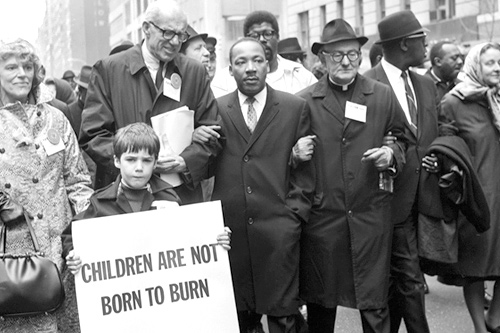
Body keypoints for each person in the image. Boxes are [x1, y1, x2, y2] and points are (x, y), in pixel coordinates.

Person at [298, 19, 406, 333]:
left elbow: (403, 139)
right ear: (321, 59)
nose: (346, 62)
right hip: (324, 217)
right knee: (322, 302)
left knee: (374, 303)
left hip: (370, 213)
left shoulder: (381, 95)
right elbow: (288, 156)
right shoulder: (304, 101)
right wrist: (294, 155)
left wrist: (389, 155)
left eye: (353, 54)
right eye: (337, 55)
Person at [212, 37, 314, 333]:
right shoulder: (216, 109)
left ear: (268, 64)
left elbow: (307, 174)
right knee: (241, 318)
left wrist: (293, 216)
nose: (251, 68)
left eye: (257, 60)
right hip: (233, 232)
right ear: (230, 69)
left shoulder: (294, 107)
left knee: (283, 316)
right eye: (241, 62)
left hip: (278, 230)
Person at [79, 0, 221, 205]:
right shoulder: (110, 70)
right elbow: (93, 135)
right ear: (146, 28)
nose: (175, 42)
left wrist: (185, 161)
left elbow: (213, 132)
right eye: (168, 33)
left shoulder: (194, 71)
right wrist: (140, 162)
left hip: (181, 193)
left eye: (181, 35)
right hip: (126, 198)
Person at [0, 39, 93, 332]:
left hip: (62, 250)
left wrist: (86, 231)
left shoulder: (56, 119)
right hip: (14, 258)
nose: (21, 74)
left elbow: (78, 180)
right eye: (11, 66)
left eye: (27, 66)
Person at [62, 122, 231, 275]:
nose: (139, 168)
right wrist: (73, 255)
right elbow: (72, 236)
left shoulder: (169, 198)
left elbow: (191, 239)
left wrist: (215, 237)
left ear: (155, 162)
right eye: (131, 160)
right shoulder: (100, 203)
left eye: (147, 160)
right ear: (116, 161)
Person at [364, 10, 440, 333]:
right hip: (384, 196)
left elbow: (431, 132)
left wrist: (436, 157)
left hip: (423, 196)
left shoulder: (425, 84)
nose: (428, 45)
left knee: (402, 279)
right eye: (422, 39)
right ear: (405, 44)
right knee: (407, 278)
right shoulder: (367, 85)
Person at [439, 42, 500, 333]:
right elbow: (446, 148)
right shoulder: (454, 102)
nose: (497, 68)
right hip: (478, 196)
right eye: (490, 63)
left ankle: (495, 318)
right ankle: (479, 327)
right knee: (475, 267)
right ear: (476, 65)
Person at [211, 10, 317, 98]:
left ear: (278, 37)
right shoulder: (224, 80)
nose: (261, 40)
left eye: (267, 34)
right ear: (246, 39)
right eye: (254, 35)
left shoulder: (300, 75)